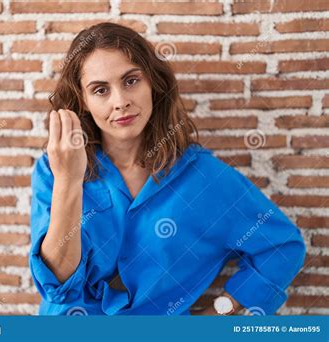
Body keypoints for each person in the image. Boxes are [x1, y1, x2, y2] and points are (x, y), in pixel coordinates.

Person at [29, 22, 306, 316]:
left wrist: (221, 312)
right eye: (100, 90)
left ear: (153, 83)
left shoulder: (203, 176)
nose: (120, 102)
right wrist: (69, 181)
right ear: (82, 101)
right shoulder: (53, 170)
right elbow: (57, 283)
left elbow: (282, 248)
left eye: (131, 81)